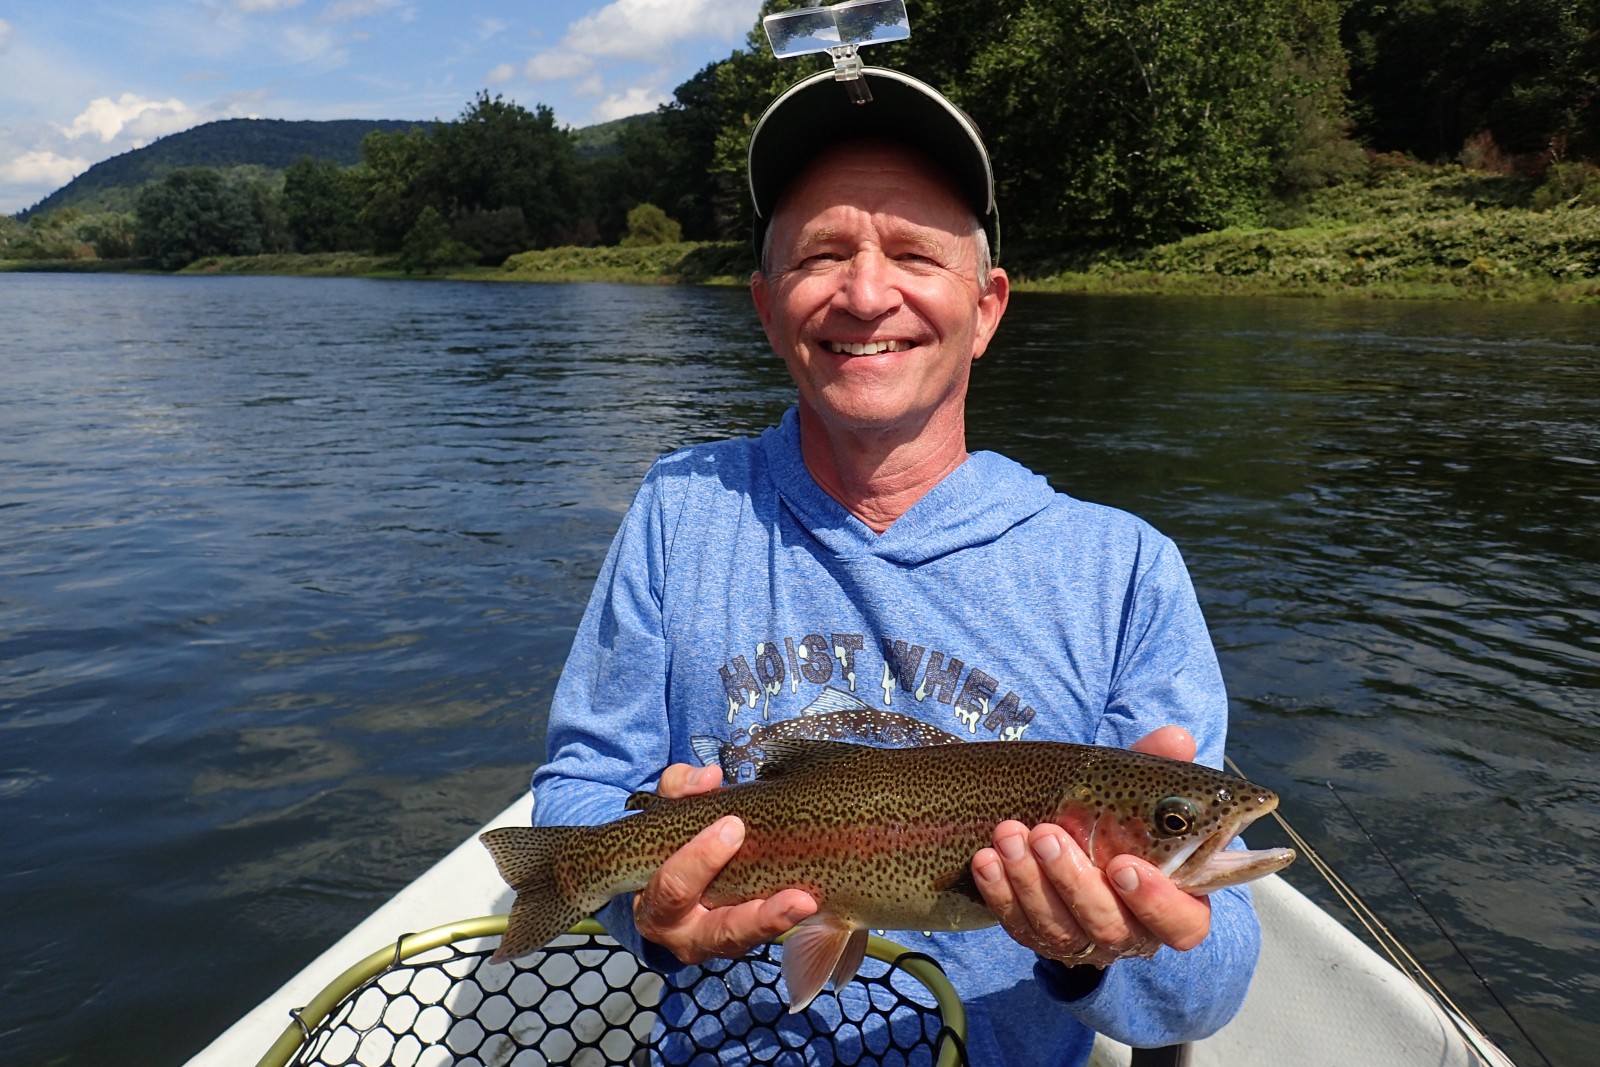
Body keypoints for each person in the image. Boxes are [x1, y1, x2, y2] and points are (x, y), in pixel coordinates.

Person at [531, 67, 1260, 1066]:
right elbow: (579, 793)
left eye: (913, 253)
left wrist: (1103, 947)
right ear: (764, 302)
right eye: (822, 253)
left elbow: (1206, 987)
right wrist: (650, 921)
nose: (866, 293)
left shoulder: (1123, 570)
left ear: (987, 304)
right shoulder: (679, 511)